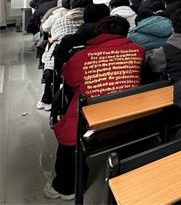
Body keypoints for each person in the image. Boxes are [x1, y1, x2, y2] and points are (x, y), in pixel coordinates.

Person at [45, 16, 144, 200]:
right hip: (131, 117)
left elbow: (69, 80)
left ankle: (67, 187)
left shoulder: (80, 56)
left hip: (91, 124)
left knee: (69, 131)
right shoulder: (138, 50)